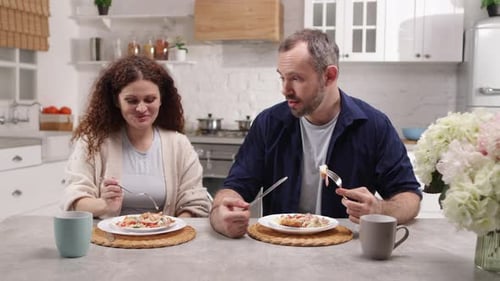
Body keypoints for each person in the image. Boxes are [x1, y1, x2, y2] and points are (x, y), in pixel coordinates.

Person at [209, 29, 422, 238]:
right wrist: (221, 211)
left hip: (346, 253)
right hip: (279, 250)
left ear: (329, 76)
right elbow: (235, 188)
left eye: (296, 79)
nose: (285, 89)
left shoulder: (374, 126)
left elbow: (409, 197)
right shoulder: (268, 123)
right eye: (282, 77)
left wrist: (379, 210)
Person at [61, 55, 211, 218]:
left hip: (165, 240)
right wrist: (104, 205)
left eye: (150, 99)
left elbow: (195, 202)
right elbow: (74, 199)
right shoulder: (93, 142)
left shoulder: (179, 144)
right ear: (117, 101)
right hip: (107, 241)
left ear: (161, 99)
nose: (141, 108)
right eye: (131, 100)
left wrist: (172, 228)